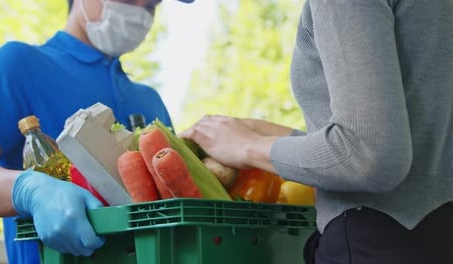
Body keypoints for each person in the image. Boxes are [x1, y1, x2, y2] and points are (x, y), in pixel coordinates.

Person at [180, 0, 453, 263]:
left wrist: (248, 146)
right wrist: (275, 140)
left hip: (380, 244)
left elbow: (369, 156)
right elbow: (412, 150)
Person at [0, 0, 193, 263]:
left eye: (151, 4)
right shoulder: (21, 65)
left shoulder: (150, 101)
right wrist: (29, 190)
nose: (138, 11)